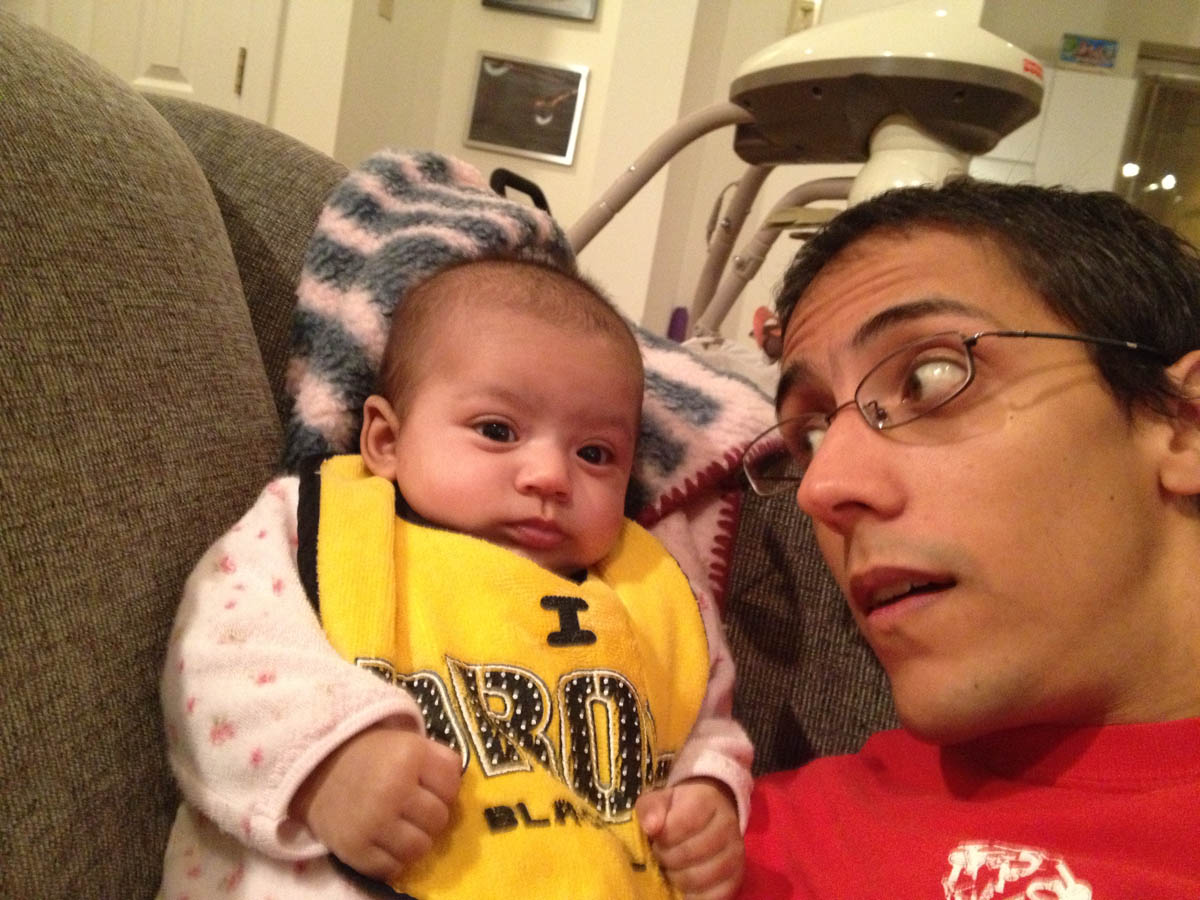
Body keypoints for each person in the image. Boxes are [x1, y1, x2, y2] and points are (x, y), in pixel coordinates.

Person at [158, 150, 765, 900]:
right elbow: (217, 656)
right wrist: (325, 768)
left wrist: (708, 795)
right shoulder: (321, 525)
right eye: (497, 430)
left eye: (595, 453)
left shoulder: (651, 587)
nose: (549, 476)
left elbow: (703, 724)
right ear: (385, 440)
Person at [736, 178, 1200, 897]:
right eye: (814, 434)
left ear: (1186, 423)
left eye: (930, 377)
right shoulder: (740, 851)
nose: (821, 488)